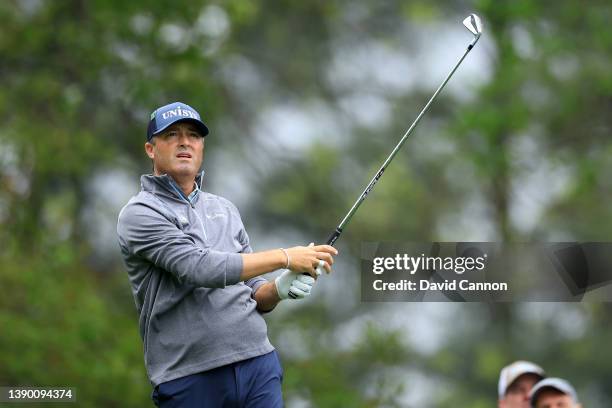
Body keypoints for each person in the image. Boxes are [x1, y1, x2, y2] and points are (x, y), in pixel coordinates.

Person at [117, 101, 338, 407]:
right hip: (189, 378)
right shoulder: (140, 213)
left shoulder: (224, 208)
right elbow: (200, 268)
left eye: (193, 135)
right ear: (151, 149)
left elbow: (254, 294)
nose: (184, 142)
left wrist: (277, 288)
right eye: (172, 135)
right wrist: (286, 256)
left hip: (258, 363)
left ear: (201, 146)